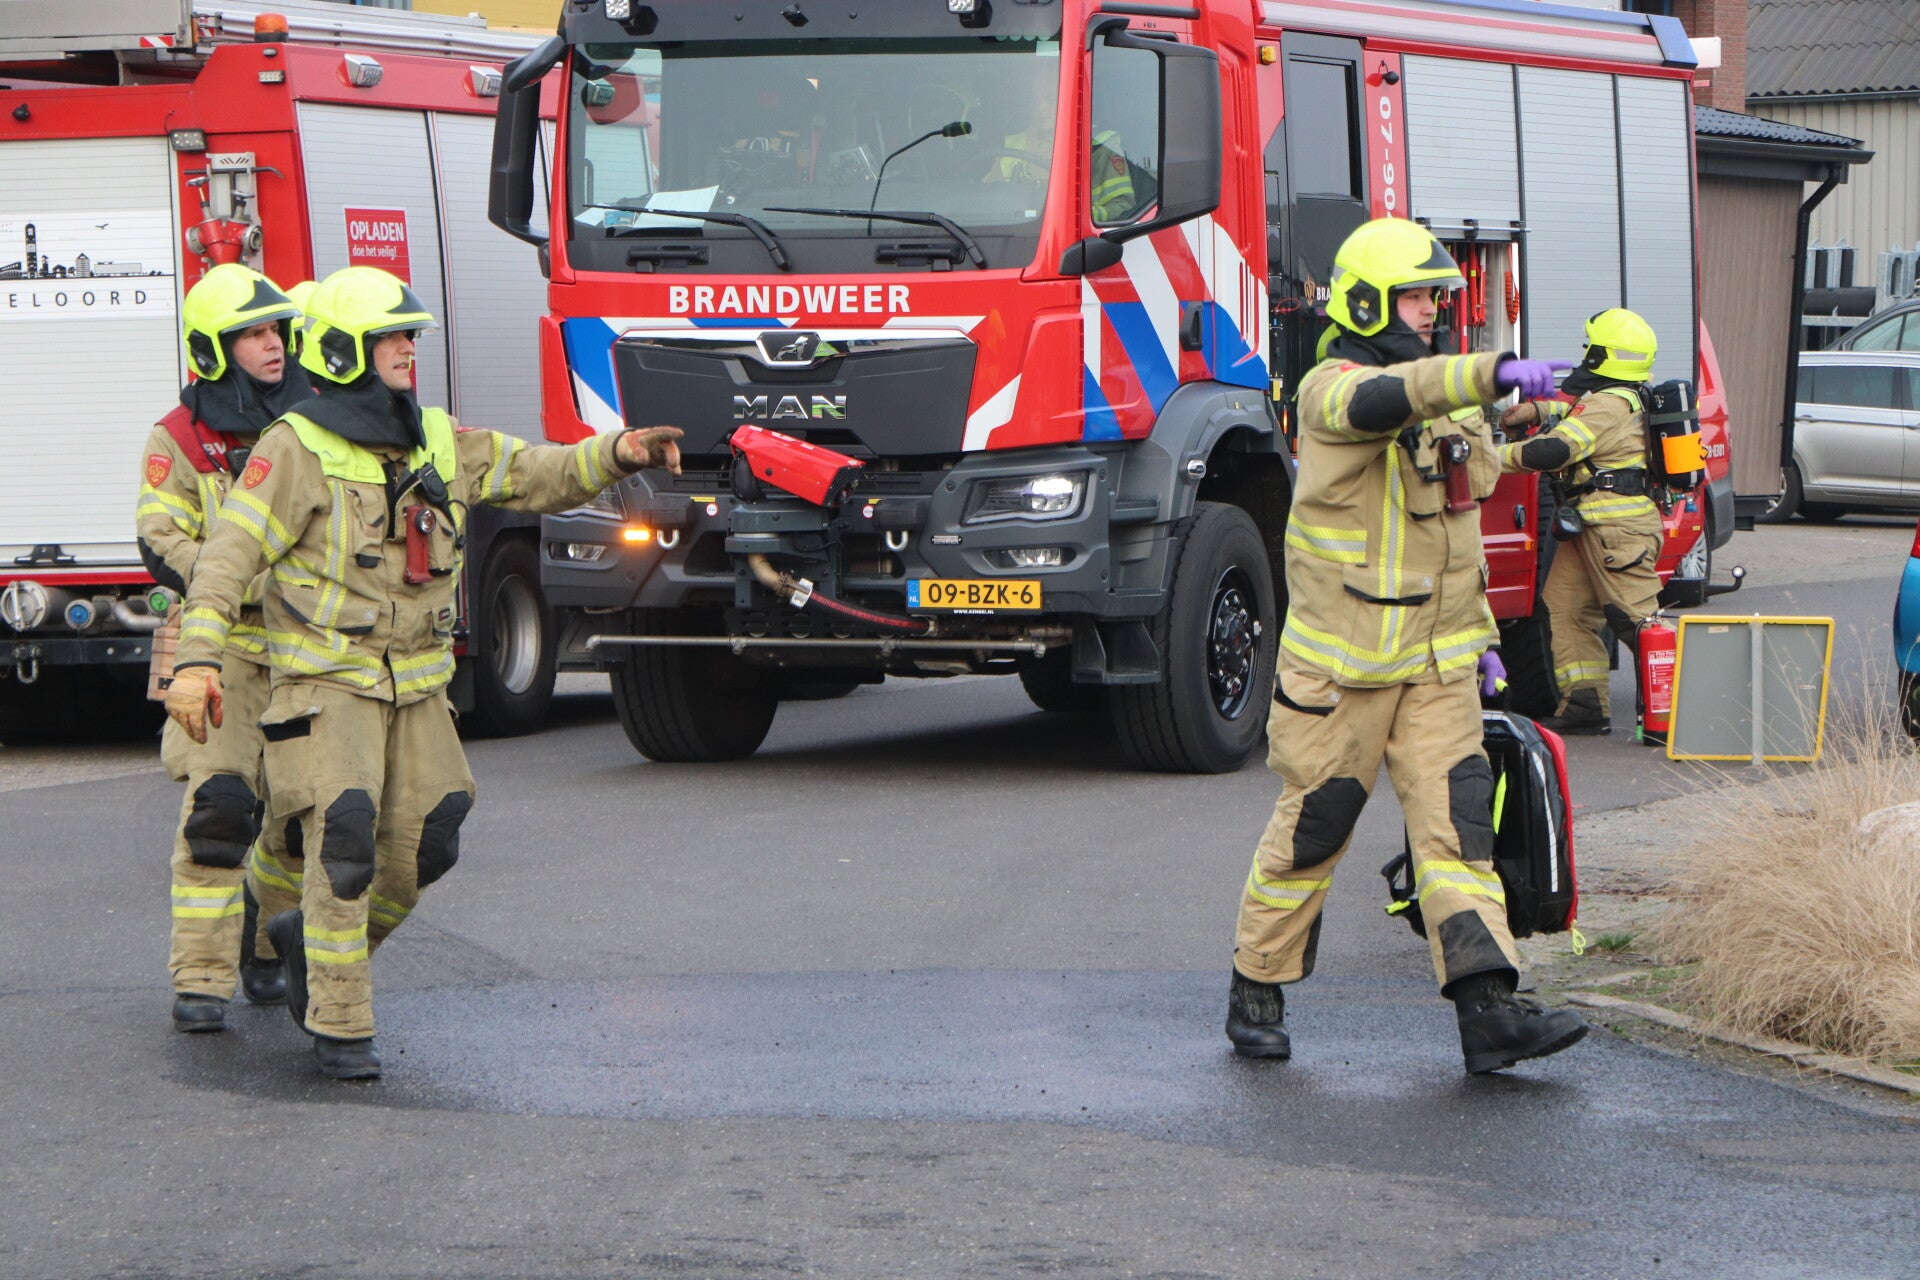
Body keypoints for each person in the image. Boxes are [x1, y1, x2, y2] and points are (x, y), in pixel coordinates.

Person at [163, 266, 685, 1080]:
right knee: (345, 842)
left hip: (418, 686)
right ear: (345, 353)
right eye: (393, 338)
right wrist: (198, 662)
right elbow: (224, 561)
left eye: (410, 336)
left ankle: (305, 948)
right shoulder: (293, 449)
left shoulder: (437, 438)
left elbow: (534, 472)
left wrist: (618, 453)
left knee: (430, 839)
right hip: (326, 687)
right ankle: (341, 1025)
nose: (410, 349)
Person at [1225, 217, 1590, 1075]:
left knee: (1458, 834)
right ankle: (1256, 986)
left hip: (1434, 668)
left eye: (1436, 296)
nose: (1433, 309)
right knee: (1314, 832)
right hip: (1340, 675)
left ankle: (1488, 1010)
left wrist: (1480, 641)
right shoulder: (1330, 393)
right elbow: (1392, 397)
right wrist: (1489, 370)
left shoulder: (1445, 400)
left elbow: (1455, 536)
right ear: (1367, 304)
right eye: (1418, 296)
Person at [137, 262, 311, 1033]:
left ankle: (267, 949)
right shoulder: (178, 438)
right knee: (219, 811)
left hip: (306, 649)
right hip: (224, 647)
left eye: (277, 330)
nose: (273, 346)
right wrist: (232, 579)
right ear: (213, 350)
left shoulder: (315, 425)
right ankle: (202, 980)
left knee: (299, 814)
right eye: (252, 334)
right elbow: (159, 534)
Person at [1498, 308, 1664, 736]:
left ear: (1603, 354)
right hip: (1595, 526)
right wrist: (1537, 410)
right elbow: (1575, 413)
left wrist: (1487, 457)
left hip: (1616, 530)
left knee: (1637, 622)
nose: (1585, 351)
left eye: (1590, 345)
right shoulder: (1618, 397)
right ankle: (1585, 705)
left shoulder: (1610, 403)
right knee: (1566, 608)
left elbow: (1554, 451)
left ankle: (1689, 709)